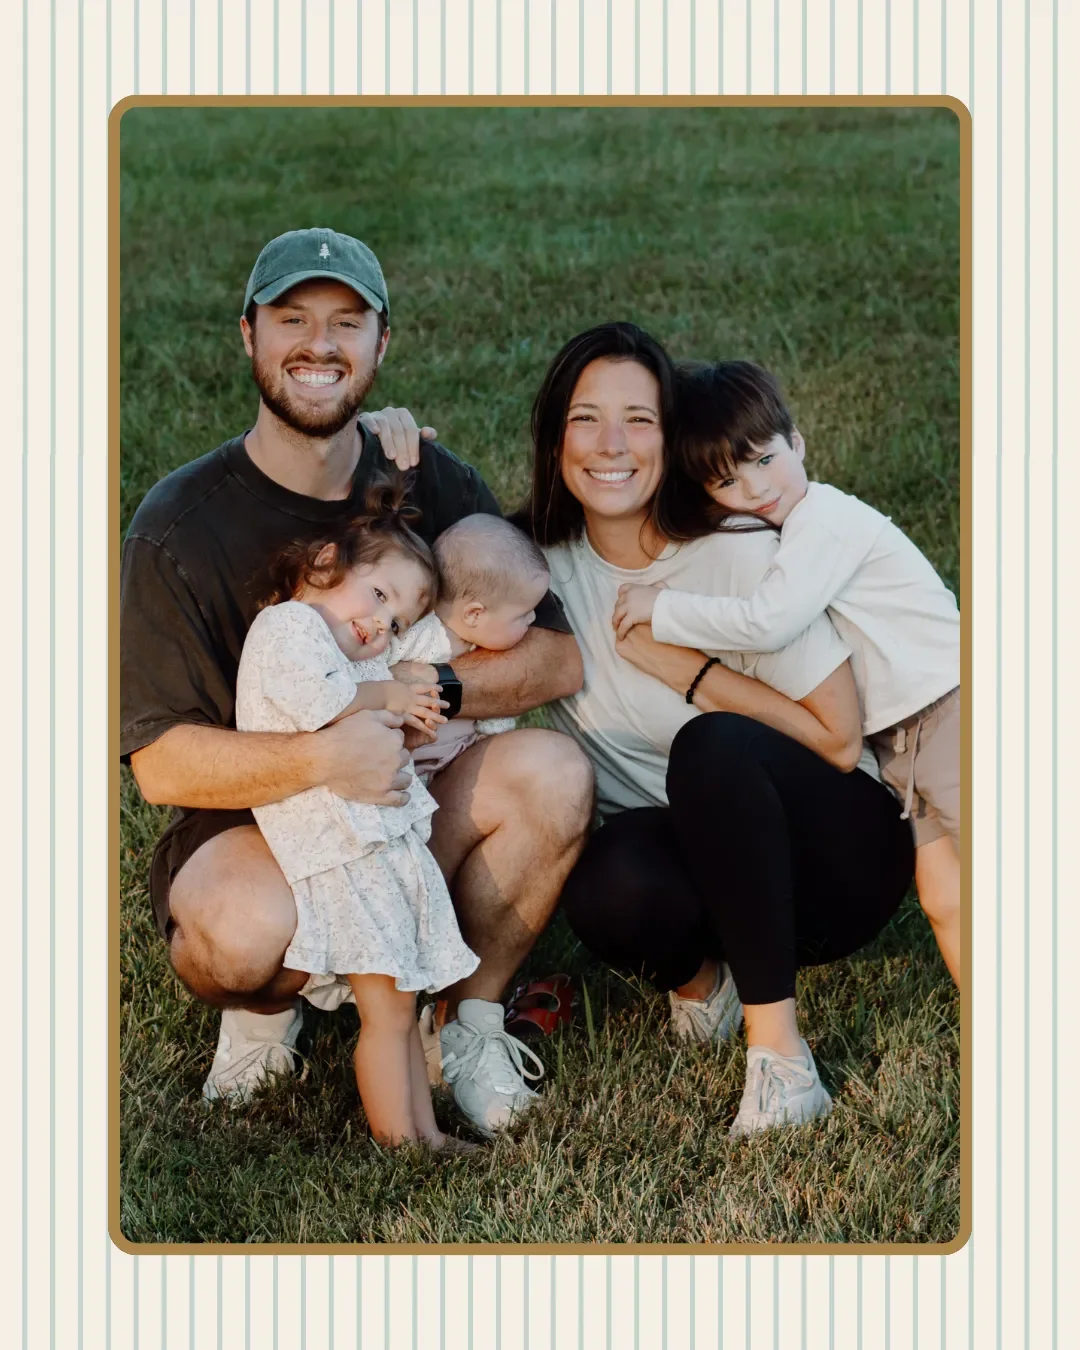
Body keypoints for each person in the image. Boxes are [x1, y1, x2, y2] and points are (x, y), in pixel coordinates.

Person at [119, 228, 593, 1138]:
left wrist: (422, 691)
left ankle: (469, 1019)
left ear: (383, 344)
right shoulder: (177, 525)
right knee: (241, 927)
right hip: (259, 824)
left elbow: (556, 659)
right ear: (248, 333)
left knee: (554, 775)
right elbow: (164, 768)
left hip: (404, 799)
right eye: (293, 318)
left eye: (347, 322)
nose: (319, 344)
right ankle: (268, 1009)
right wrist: (328, 753)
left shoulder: (422, 476)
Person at [517, 323, 916, 1136]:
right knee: (603, 884)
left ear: (673, 439)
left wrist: (696, 677)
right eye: (586, 418)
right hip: (698, 860)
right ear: (555, 435)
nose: (612, 446)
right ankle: (707, 984)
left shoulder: (737, 552)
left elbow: (840, 740)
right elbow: (413, 555)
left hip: (836, 858)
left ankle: (781, 1062)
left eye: (640, 419)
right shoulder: (536, 566)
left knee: (712, 742)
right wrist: (394, 444)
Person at [611, 360, 961, 982]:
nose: (754, 489)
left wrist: (663, 609)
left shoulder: (826, 519)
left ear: (797, 444)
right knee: (945, 899)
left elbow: (767, 621)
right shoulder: (788, 535)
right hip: (903, 744)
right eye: (727, 481)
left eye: (765, 459)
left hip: (953, 711)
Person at [236, 478, 484, 1149]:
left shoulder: (344, 648)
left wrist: (399, 673)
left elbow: (414, 656)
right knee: (385, 1010)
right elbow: (326, 703)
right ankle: (398, 1142)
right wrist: (394, 692)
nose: (382, 624)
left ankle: (424, 1132)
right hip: (339, 856)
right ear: (323, 566)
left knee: (399, 1003)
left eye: (397, 622)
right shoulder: (288, 627)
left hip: (370, 849)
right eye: (377, 595)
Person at [390, 513, 553, 786]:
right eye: (523, 614)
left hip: (454, 770)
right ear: (475, 615)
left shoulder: (484, 648)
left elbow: (496, 717)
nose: (533, 619)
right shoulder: (419, 638)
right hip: (403, 768)